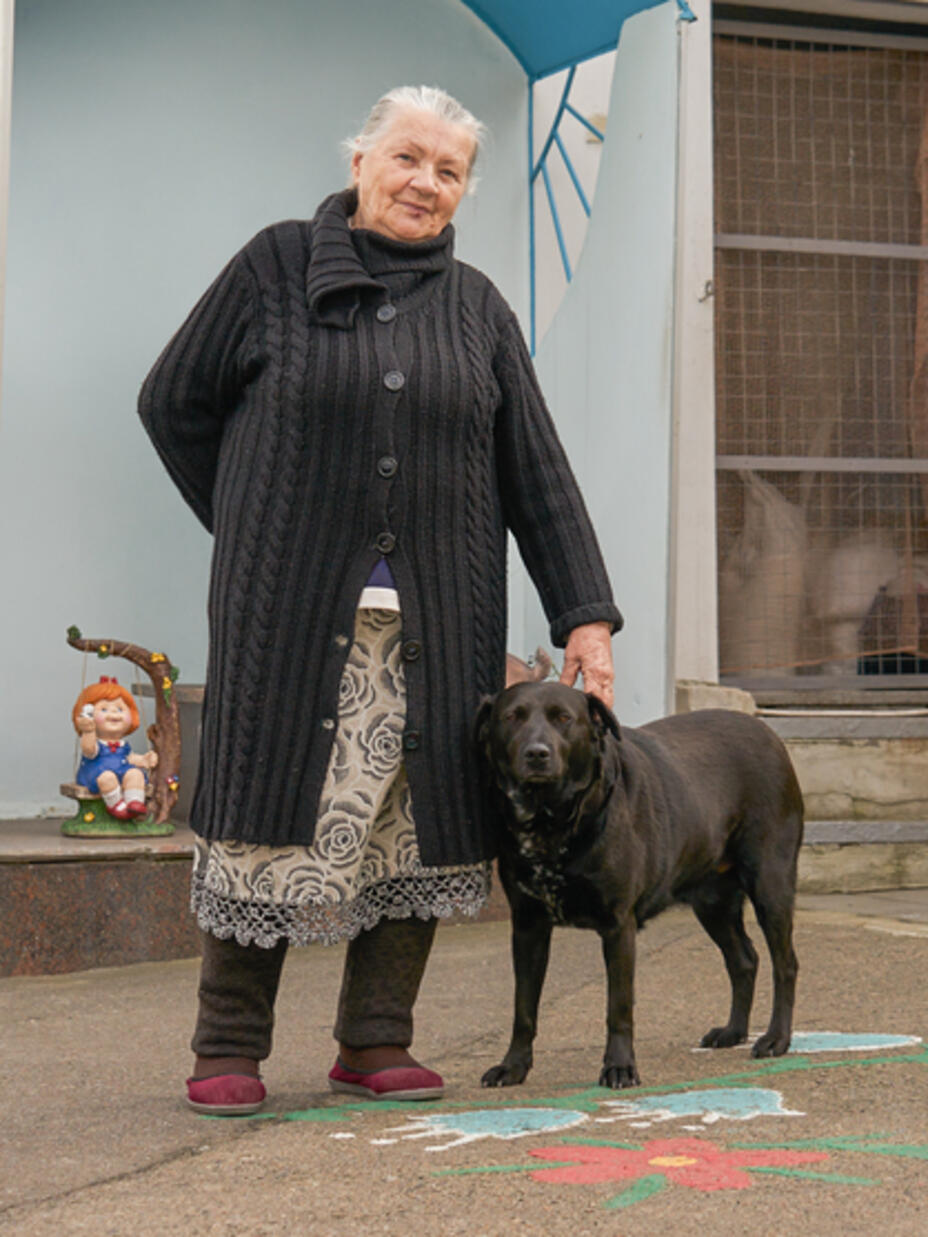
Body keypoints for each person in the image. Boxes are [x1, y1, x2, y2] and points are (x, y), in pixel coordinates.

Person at [139, 84, 622, 1116]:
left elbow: (535, 471)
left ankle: (375, 1040)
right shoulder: (273, 266)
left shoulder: (479, 307)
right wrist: (255, 525)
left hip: (442, 622)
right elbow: (172, 400)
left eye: (448, 171)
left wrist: (584, 615)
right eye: (407, 158)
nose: (424, 182)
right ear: (361, 159)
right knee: (269, 811)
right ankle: (228, 1045)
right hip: (290, 614)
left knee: (415, 817)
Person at [72, 676, 158, 820]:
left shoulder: (123, 745)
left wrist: (144, 760)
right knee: (108, 778)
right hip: (96, 774)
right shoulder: (95, 742)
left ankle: (134, 802)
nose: (114, 714)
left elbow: (129, 758)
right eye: (104, 709)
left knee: (135, 774)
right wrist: (88, 731)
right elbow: (88, 750)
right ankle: (116, 805)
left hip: (121, 771)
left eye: (120, 709)